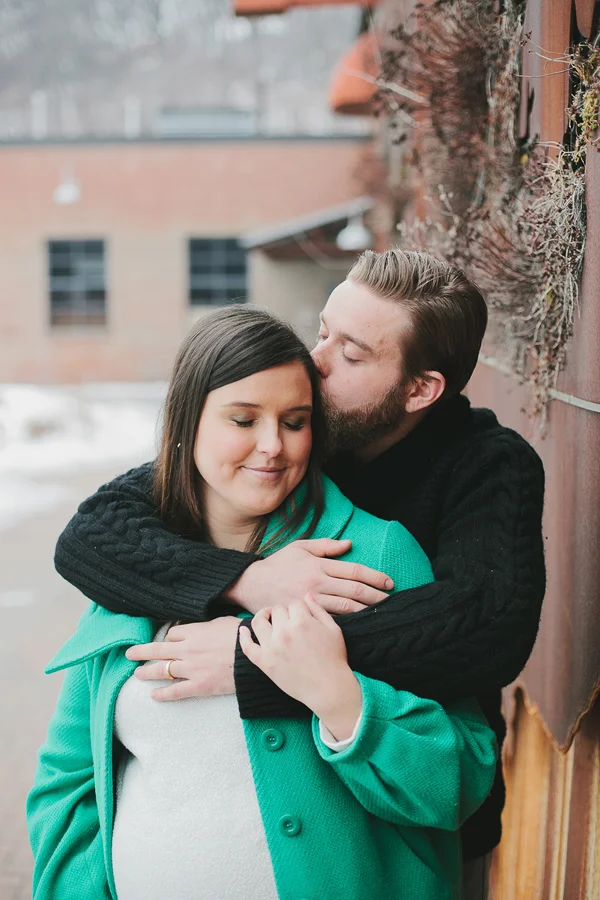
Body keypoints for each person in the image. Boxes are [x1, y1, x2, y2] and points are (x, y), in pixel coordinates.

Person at [52, 250, 546, 898]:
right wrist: (247, 580)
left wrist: (257, 658)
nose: (313, 363)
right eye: (323, 332)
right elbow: (91, 536)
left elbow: (486, 627)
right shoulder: (278, 446)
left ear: (420, 388)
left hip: (412, 824)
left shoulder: (485, 467)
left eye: (351, 353)